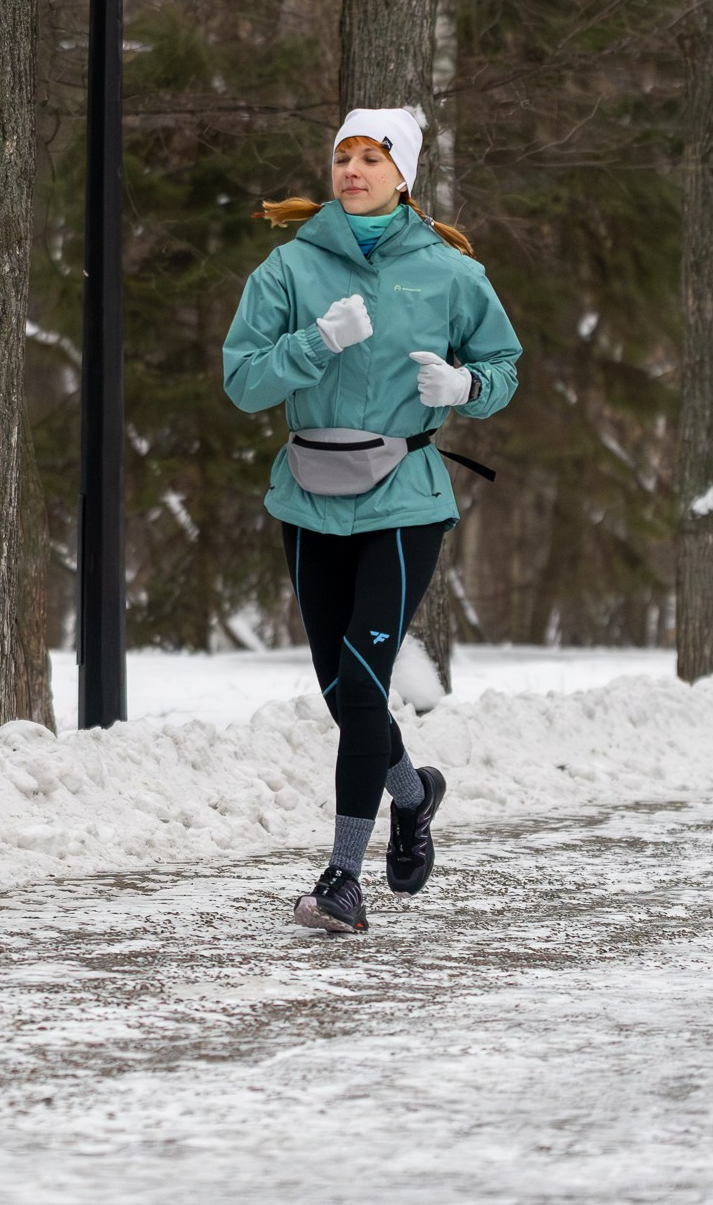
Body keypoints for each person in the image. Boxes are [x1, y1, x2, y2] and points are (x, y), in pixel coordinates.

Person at [221, 107, 523, 934]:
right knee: (338, 688)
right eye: (342, 156)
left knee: (362, 681)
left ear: (404, 174)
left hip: (404, 493)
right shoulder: (287, 269)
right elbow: (243, 382)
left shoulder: (451, 273)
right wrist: (312, 343)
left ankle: (341, 880)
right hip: (308, 489)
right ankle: (415, 794)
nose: (352, 169)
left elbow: (503, 365)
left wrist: (467, 389)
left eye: (370, 157)